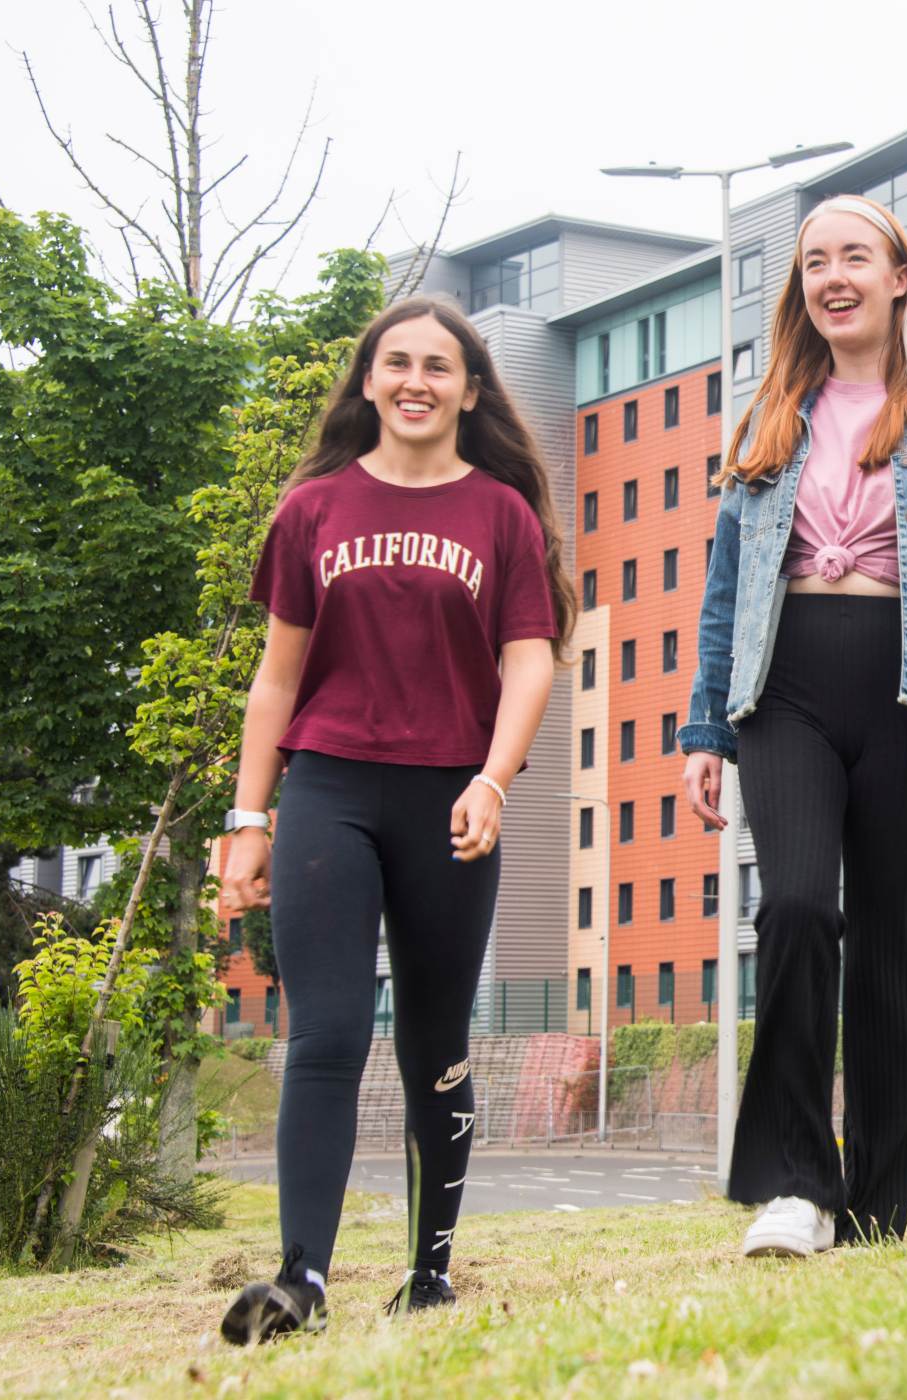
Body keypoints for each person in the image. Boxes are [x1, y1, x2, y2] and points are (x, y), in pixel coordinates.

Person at [681, 194, 907, 1257]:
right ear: (802, 289)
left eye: (855, 257)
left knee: (886, 942)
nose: (833, 275)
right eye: (814, 262)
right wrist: (706, 727)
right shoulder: (767, 417)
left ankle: (878, 1209)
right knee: (795, 904)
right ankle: (795, 1180)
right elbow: (723, 584)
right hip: (787, 685)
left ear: (897, 277)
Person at [217, 298, 571, 1342]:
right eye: (397, 362)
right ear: (368, 381)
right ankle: (303, 1278)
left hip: (450, 793)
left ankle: (429, 1270)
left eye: (439, 366)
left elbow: (529, 658)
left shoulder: (503, 515)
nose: (416, 380)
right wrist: (250, 816)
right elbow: (276, 679)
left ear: (470, 389)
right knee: (324, 1031)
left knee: (431, 1037)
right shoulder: (312, 510)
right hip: (329, 785)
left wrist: (495, 778)